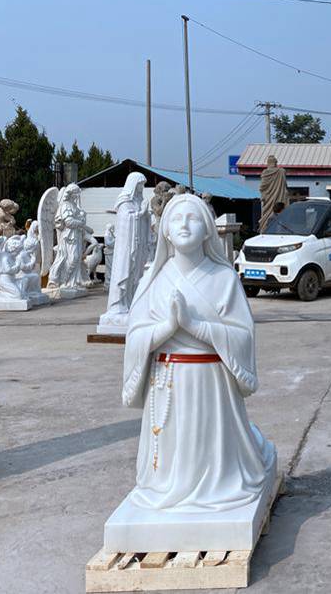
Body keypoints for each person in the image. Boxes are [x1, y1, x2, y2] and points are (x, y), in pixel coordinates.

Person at [121, 194, 275, 511]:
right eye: (177, 219)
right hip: (166, 380)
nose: (184, 225)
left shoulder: (224, 279)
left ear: (208, 230)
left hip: (211, 382)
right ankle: (166, 486)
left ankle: (220, 481)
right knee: (172, 454)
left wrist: (195, 326)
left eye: (193, 218)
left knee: (210, 450)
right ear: (164, 230)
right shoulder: (152, 280)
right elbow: (135, 335)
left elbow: (242, 335)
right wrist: (166, 328)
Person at [99, 172, 150, 327]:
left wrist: (145, 215)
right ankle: (118, 306)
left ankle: (131, 304)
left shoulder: (138, 201)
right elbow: (126, 220)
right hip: (126, 248)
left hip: (136, 245)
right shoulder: (124, 202)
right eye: (140, 185)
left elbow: (142, 220)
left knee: (135, 274)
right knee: (125, 273)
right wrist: (140, 214)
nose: (142, 188)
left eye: (143, 185)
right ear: (133, 185)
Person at [258, 156, 289, 233]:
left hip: (268, 198)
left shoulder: (265, 172)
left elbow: (262, 187)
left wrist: (264, 195)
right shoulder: (281, 171)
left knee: (267, 215)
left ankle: (265, 228)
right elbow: (285, 185)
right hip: (279, 197)